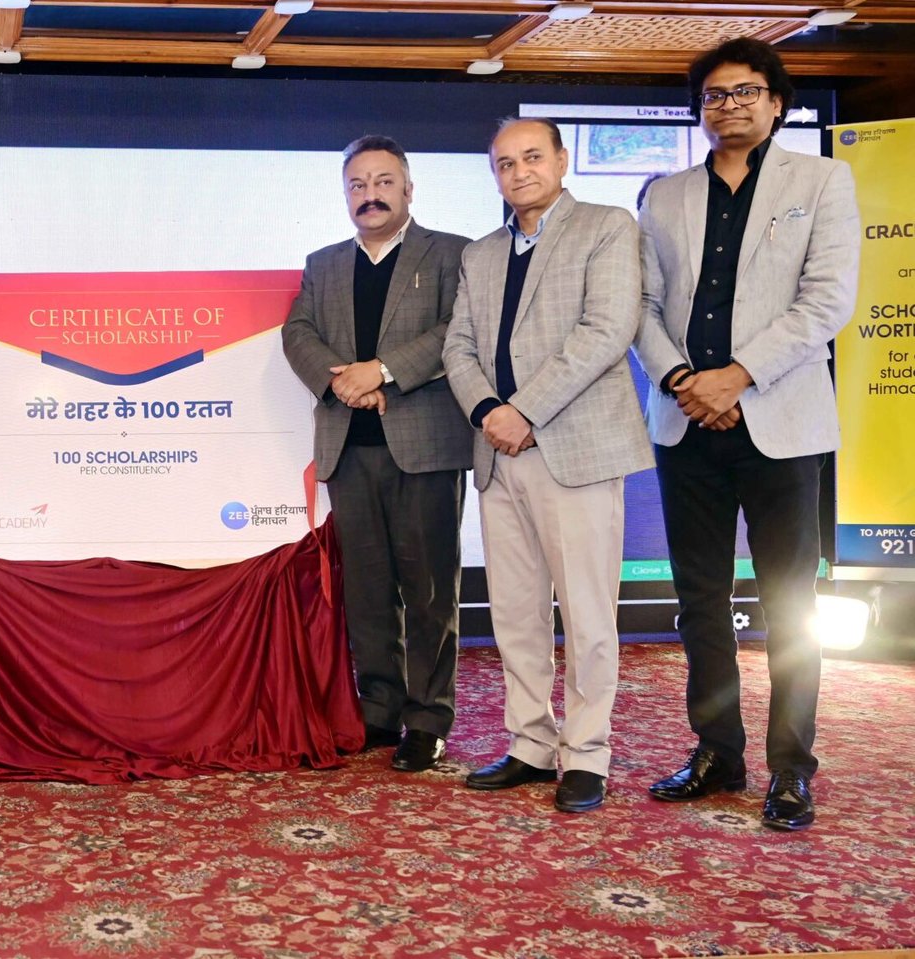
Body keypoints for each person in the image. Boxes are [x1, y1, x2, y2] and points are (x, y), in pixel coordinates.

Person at [635, 38, 860, 831]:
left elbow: (827, 300)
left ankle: (792, 767)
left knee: (791, 603)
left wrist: (737, 376)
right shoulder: (665, 195)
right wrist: (683, 380)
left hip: (782, 422)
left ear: (776, 102)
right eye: (714, 95)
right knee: (700, 600)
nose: (728, 105)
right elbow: (642, 306)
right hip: (686, 422)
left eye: (744, 92)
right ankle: (716, 751)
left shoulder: (822, 181)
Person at [441, 118, 652, 813]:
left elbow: (607, 329)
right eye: (505, 162)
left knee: (588, 614)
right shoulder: (480, 254)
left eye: (533, 156)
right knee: (516, 613)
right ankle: (530, 743)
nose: (519, 171)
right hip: (498, 454)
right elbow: (458, 347)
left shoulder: (606, 227)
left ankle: (587, 753)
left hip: (575, 449)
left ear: (561, 160)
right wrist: (488, 412)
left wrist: (524, 410)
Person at [281, 135, 472, 772]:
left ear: (409, 189)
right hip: (348, 445)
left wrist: (383, 371)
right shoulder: (324, 263)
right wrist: (341, 381)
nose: (371, 195)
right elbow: (298, 331)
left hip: (424, 445)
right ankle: (381, 710)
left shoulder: (451, 253)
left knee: (428, 590)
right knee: (366, 590)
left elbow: (456, 329)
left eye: (384, 182)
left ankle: (429, 717)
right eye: (358, 185)